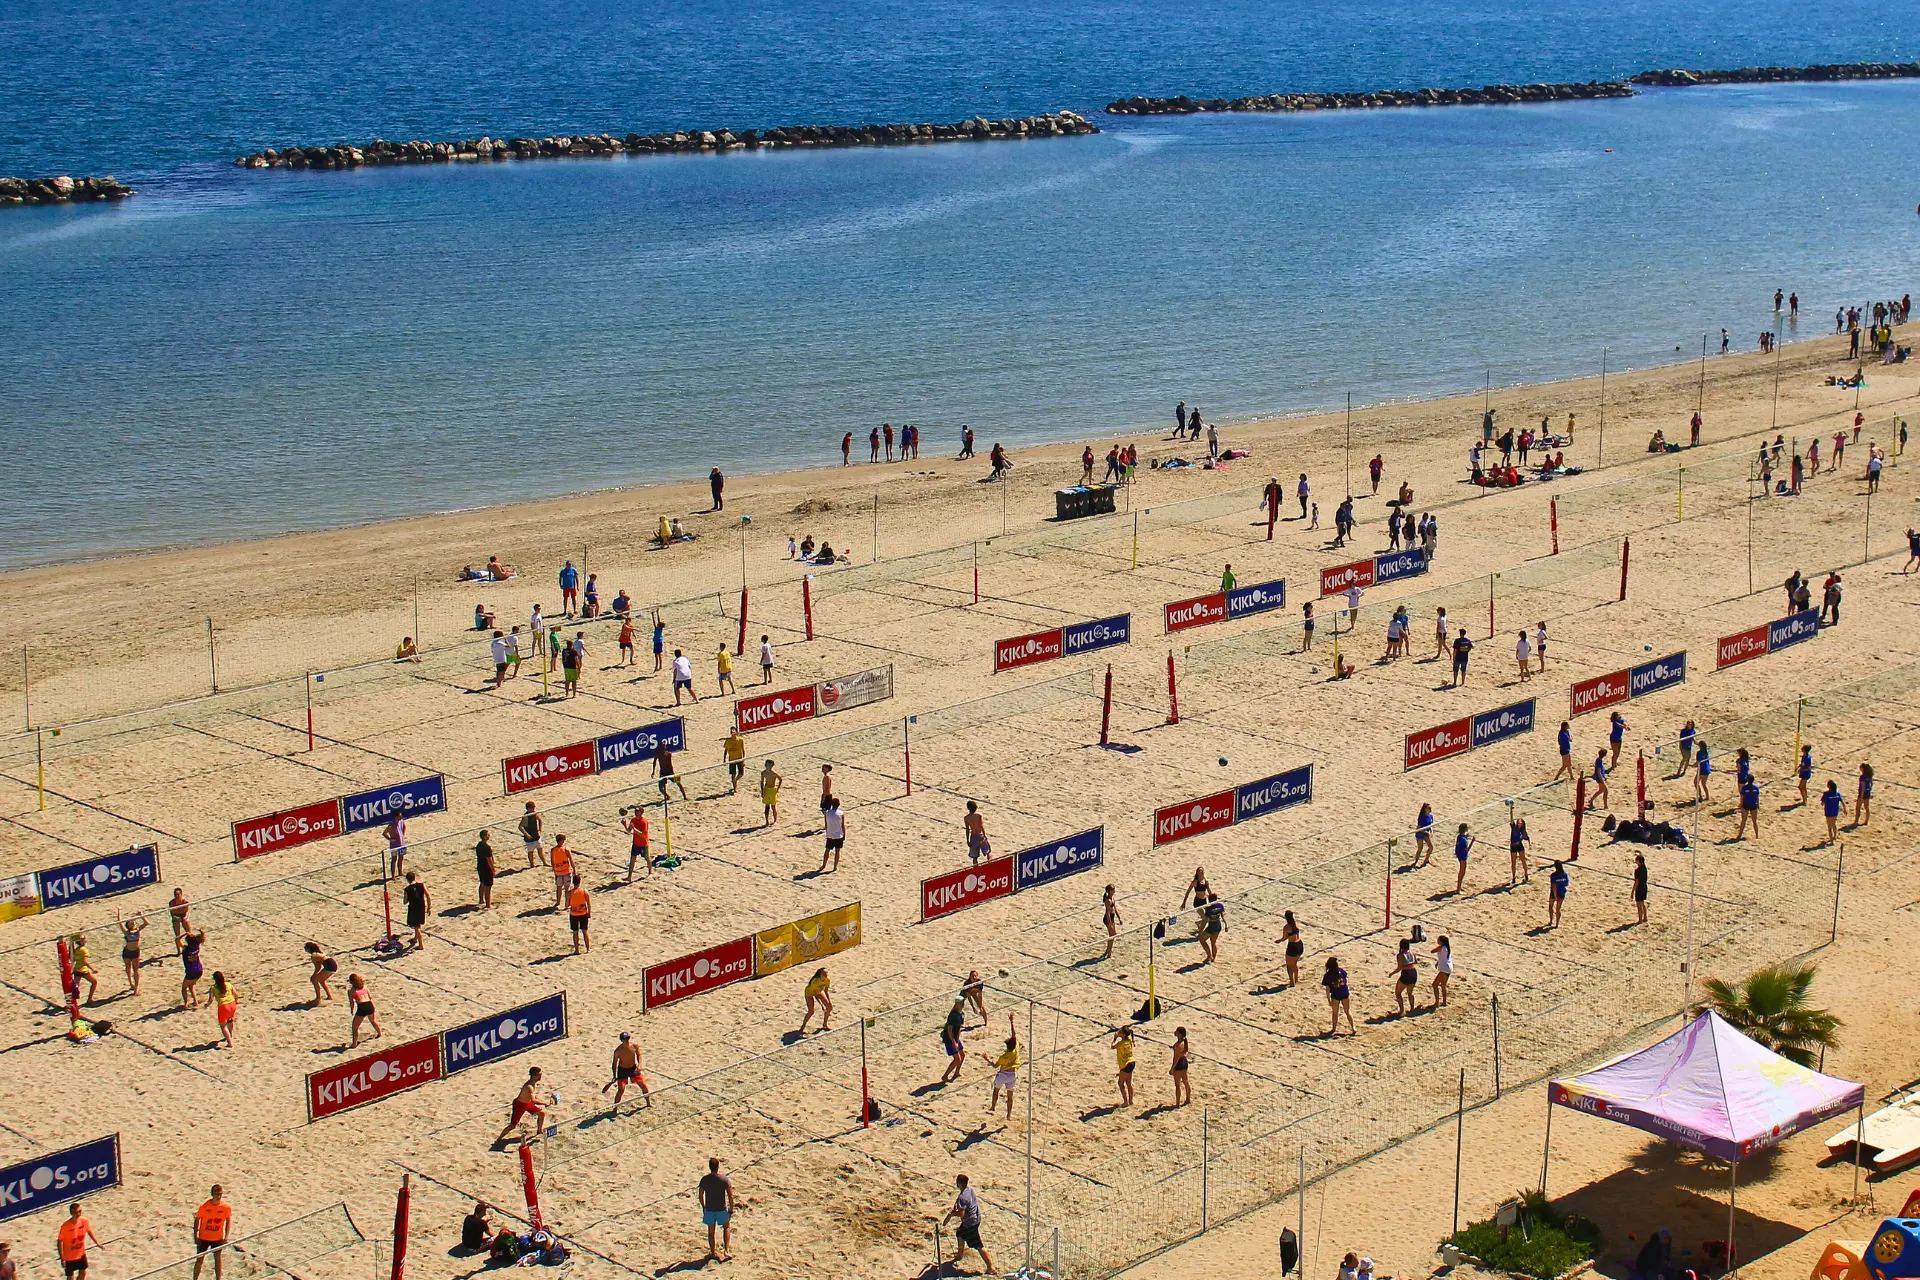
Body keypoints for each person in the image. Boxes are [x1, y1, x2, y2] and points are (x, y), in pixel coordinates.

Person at [943, 1175, 992, 1277]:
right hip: (976, 1219)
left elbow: (961, 1214)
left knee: (978, 1246)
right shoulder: (970, 1190)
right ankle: (959, 1255)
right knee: (960, 1234)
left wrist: (952, 1214)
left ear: (959, 1183)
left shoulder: (962, 1198)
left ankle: (990, 1267)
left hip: (970, 1224)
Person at [496, 1067, 548, 1145]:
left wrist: (543, 1102)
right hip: (519, 1105)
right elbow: (533, 1100)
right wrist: (544, 1103)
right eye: (539, 1075)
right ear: (534, 1076)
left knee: (542, 1113)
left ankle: (539, 1130)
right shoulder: (529, 1086)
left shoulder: (533, 1083)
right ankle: (499, 1139)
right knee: (512, 1125)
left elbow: (533, 1097)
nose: (541, 1076)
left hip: (526, 1103)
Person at [192, 1187, 230, 1280]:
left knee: (217, 1259)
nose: (219, 1196)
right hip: (203, 1237)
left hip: (217, 1238)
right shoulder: (204, 1207)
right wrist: (195, 1236)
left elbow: (228, 1221)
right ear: (212, 1194)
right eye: (217, 1194)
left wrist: (226, 1237)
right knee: (199, 1259)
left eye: (220, 1194)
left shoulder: (226, 1207)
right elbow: (197, 1220)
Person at [988, 1016, 1020, 1119]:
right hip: (1013, 1075)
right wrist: (1012, 1022)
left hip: (1003, 1074)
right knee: (1010, 1096)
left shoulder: (1004, 1056)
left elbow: (994, 1065)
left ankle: (993, 1107)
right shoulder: (1016, 1049)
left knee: (996, 1091)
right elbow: (1014, 1034)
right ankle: (1009, 1115)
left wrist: (986, 1058)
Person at [59, 1202, 101, 1279]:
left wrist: (97, 1243)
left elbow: (89, 1231)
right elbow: (59, 1242)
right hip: (69, 1257)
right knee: (70, 1277)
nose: (78, 1214)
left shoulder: (84, 1221)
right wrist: (62, 1258)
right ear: (71, 1213)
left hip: (81, 1254)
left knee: (83, 1273)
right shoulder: (65, 1226)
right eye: (75, 1212)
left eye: (79, 1211)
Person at [1322, 956, 1354, 1035]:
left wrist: (1329, 1000)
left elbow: (1327, 989)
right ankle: (1353, 1027)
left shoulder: (1328, 975)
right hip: (1344, 992)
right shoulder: (1341, 971)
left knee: (1335, 1013)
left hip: (1335, 995)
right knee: (1347, 1011)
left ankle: (1333, 1029)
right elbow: (1345, 978)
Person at [208, 970, 239, 1047]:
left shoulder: (213, 988)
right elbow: (236, 995)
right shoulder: (228, 984)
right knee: (230, 1020)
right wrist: (236, 1001)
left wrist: (207, 1005)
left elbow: (211, 999)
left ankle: (229, 1043)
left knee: (223, 1026)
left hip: (223, 1006)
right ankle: (230, 1034)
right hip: (232, 1004)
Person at [1388, 938, 1418, 1016]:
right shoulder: (1412, 952)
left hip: (1406, 974)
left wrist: (1392, 973)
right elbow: (1415, 962)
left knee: (1398, 993)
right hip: (1414, 973)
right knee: (1410, 993)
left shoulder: (1400, 955)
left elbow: (1400, 968)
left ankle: (1401, 1011)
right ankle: (1412, 1008)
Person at [620, 807, 651, 881]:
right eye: (635, 811)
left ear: (641, 812)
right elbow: (628, 831)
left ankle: (650, 873)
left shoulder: (644, 822)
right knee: (632, 859)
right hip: (635, 843)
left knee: (647, 858)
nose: (636, 813)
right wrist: (624, 825)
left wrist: (634, 829)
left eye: (637, 811)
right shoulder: (633, 820)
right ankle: (629, 876)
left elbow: (643, 834)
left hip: (644, 844)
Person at [401, 871, 430, 949]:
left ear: (407, 880)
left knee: (417, 927)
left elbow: (405, 902)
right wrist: (429, 907)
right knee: (418, 924)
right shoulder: (421, 885)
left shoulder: (407, 889)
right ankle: (415, 938)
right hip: (421, 906)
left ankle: (421, 945)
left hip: (413, 908)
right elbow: (428, 896)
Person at [179, 924, 206, 1009]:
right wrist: (200, 931)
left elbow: (176, 940)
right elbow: (202, 936)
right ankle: (195, 1002)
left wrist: (184, 934)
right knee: (191, 986)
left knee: (184, 988)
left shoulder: (185, 949)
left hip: (190, 971)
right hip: (199, 970)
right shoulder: (197, 945)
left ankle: (186, 1004)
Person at [799, 967, 832, 1033]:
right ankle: (803, 1026)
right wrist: (821, 1005)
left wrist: (829, 1002)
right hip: (809, 993)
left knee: (829, 1007)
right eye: (824, 973)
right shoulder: (815, 981)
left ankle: (825, 1024)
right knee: (811, 1011)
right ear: (820, 974)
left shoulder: (827, 980)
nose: (826, 975)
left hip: (818, 992)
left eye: (826, 973)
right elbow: (816, 995)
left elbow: (826, 991)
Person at [548, 835, 574, 912]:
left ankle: (558, 902)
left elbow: (552, 861)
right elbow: (571, 860)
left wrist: (554, 870)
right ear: (561, 841)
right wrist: (574, 869)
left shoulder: (553, 850)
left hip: (558, 872)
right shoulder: (566, 849)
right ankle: (566, 904)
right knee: (567, 889)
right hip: (566, 871)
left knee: (559, 888)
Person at [70, 933, 98, 1004]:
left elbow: (71, 958)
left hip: (76, 969)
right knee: (94, 982)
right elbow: (85, 962)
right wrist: (93, 969)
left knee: (76, 987)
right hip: (83, 970)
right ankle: (89, 999)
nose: (85, 939)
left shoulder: (76, 950)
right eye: (84, 939)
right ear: (81, 941)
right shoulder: (84, 950)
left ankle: (73, 1002)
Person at [120, 913, 145, 993]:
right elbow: (119, 922)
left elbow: (146, 923)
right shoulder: (126, 932)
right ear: (128, 925)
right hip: (127, 952)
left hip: (135, 952)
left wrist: (141, 915)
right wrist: (119, 911)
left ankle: (136, 987)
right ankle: (131, 983)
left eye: (133, 922)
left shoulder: (137, 930)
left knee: (136, 969)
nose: (132, 923)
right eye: (130, 922)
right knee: (128, 968)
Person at [820, 797, 846, 873]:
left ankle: (824, 865)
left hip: (830, 835)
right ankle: (835, 866)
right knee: (837, 852)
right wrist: (844, 835)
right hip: (838, 835)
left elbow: (826, 825)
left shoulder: (827, 813)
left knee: (827, 850)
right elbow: (842, 826)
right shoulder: (841, 814)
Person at [1279, 909, 1303, 987]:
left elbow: (1284, 938)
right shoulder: (1295, 924)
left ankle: (1292, 982)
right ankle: (1296, 979)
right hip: (1299, 944)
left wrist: (1279, 940)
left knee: (1289, 966)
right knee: (1294, 963)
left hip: (1292, 946)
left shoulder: (1287, 927)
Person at [567, 876, 591, 954]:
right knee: (585, 931)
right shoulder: (584, 891)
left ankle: (577, 950)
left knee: (575, 932)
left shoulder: (570, 892)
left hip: (574, 914)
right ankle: (588, 949)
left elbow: (567, 904)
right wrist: (589, 913)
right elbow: (589, 904)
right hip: (583, 913)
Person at [1734, 774, 1761, 840]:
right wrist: (1758, 805)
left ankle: (1739, 835)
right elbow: (1757, 797)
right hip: (1753, 805)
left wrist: (1741, 805)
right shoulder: (1756, 787)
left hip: (1746, 805)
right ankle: (1757, 836)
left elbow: (1742, 798)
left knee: (1743, 821)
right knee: (1754, 822)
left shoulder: (1744, 788)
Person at [1169, 1026, 1192, 1105]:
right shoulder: (1184, 1041)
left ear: (1180, 1034)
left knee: (1178, 1085)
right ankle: (1188, 1099)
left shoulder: (1179, 1045)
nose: (1175, 1032)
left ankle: (1177, 1103)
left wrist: (1172, 1068)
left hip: (1178, 1064)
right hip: (1184, 1062)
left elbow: (1176, 1058)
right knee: (1185, 1081)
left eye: (1177, 1031)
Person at [474, 830, 496, 909]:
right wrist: (493, 870)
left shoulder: (479, 845)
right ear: (484, 836)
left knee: (482, 883)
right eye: (487, 834)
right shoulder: (487, 847)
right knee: (488, 886)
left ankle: (481, 900)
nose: (489, 835)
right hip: (486, 868)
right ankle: (488, 905)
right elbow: (489, 860)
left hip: (480, 866)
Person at [519, 801, 545, 868]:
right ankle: (532, 864)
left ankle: (544, 862)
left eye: (534, 807)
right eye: (532, 808)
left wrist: (540, 829)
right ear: (528, 809)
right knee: (531, 852)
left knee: (540, 849)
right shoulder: (526, 816)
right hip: (529, 838)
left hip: (536, 835)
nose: (534, 809)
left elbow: (540, 820)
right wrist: (527, 835)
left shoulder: (534, 814)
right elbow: (520, 827)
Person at [1100, 884, 1123, 960]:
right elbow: (1107, 913)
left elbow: (1115, 908)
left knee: (1113, 935)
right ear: (1110, 891)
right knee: (1112, 935)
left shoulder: (1112, 898)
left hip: (1112, 918)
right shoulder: (1108, 901)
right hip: (1108, 919)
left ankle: (1108, 950)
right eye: (1113, 890)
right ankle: (1108, 952)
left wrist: (1119, 918)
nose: (1114, 891)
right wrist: (1110, 924)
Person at [1509, 813, 1531, 885]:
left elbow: (1527, 837)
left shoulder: (1522, 831)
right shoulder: (1514, 827)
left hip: (1519, 845)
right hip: (1513, 846)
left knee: (1523, 861)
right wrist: (1511, 810)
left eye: (1520, 822)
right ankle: (1513, 877)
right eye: (1518, 822)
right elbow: (1511, 819)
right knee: (1513, 863)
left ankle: (1526, 875)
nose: (1519, 823)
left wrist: (1529, 843)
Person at [1546, 860, 1570, 928]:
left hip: (1554, 893)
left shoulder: (1553, 875)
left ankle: (1551, 921)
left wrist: (1555, 896)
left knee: (1551, 906)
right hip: (1562, 892)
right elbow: (1566, 884)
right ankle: (1557, 924)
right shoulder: (1564, 874)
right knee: (1558, 909)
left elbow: (1554, 886)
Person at [1431, 935, 1453, 1007]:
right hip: (1448, 968)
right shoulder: (1447, 948)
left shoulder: (1441, 947)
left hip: (1444, 969)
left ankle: (1436, 1003)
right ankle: (1444, 1002)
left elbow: (1432, 951)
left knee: (1435, 985)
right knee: (1443, 986)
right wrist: (1438, 962)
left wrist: (1438, 947)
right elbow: (1443, 957)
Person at [760, 759, 783, 826]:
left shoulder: (774, 773)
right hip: (766, 789)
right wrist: (762, 791)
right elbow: (761, 782)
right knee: (767, 806)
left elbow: (780, 779)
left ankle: (775, 821)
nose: (767, 766)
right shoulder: (763, 773)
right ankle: (767, 822)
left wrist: (777, 789)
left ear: (771, 766)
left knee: (773, 806)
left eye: (769, 765)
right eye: (766, 764)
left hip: (772, 790)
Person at [1820, 779, 1843, 844]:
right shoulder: (1837, 794)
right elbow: (1842, 801)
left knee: (1829, 827)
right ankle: (1835, 836)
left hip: (1829, 812)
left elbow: (1822, 802)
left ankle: (1832, 842)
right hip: (1835, 811)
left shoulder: (1826, 794)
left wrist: (1823, 803)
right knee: (1834, 824)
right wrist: (1844, 809)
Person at [169, 886, 192, 951]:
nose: (177, 896)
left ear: (181, 894)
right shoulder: (172, 903)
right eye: (175, 895)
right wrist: (176, 918)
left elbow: (187, 912)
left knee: (189, 932)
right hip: (175, 917)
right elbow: (172, 914)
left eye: (178, 894)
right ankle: (179, 951)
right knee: (177, 935)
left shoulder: (185, 902)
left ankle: (191, 946)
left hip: (183, 915)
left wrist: (185, 918)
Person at [1453, 822, 1473, 894]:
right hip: (1463, 856)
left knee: (1462, 871)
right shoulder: (1463, 840)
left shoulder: (1459, 836)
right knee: (1462, 872)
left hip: (1459, 854)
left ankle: (1459, 887)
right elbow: (1467, 849)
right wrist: (1472, 842)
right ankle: (1458, 889)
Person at [1855, 762, 1874, 827]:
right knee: (1866, 807)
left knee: (1858, 808)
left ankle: (1856, 821)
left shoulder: (1862, 777)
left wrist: (1861, 796)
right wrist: (1870, 790)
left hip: (1862, 793)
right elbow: (1871, 784)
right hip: (1867, 792)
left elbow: (1862, 787)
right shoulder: (1869, 775)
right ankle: (1866, 821)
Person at [1694, 740, 1713, 805]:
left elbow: (1697, 762)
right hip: (1707, 769)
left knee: (1696, 782)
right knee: (1704, 784)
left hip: (1701, 770)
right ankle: (1707, 796)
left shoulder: (1699, 753)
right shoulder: (1706, 751)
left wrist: (1692, 765)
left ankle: (1700, 796)